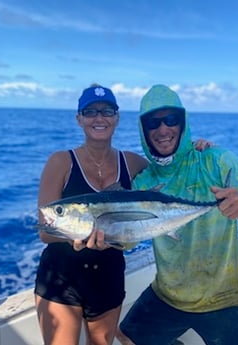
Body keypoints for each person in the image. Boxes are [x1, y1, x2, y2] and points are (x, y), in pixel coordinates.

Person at [117, 84, 238, 345]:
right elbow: (127, 239)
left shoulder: (216, 160)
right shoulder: (143, 183)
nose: (163, 129)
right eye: (153, 123)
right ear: (143, 130)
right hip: (167, 295)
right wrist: (105, 234)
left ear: (182, 123)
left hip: (225, 297)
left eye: (171, 120)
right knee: (126, 337)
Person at [34, 84, 149, 345]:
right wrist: (77, 236)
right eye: (90, 112)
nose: (99, 118)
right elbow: (45, 230)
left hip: (108, 274)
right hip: (61, 277)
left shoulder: (131, 162)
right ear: (79, 119)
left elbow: (169, 172)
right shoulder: (61, 162)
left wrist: (195, 148)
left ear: (117, 118)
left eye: (107, 111)